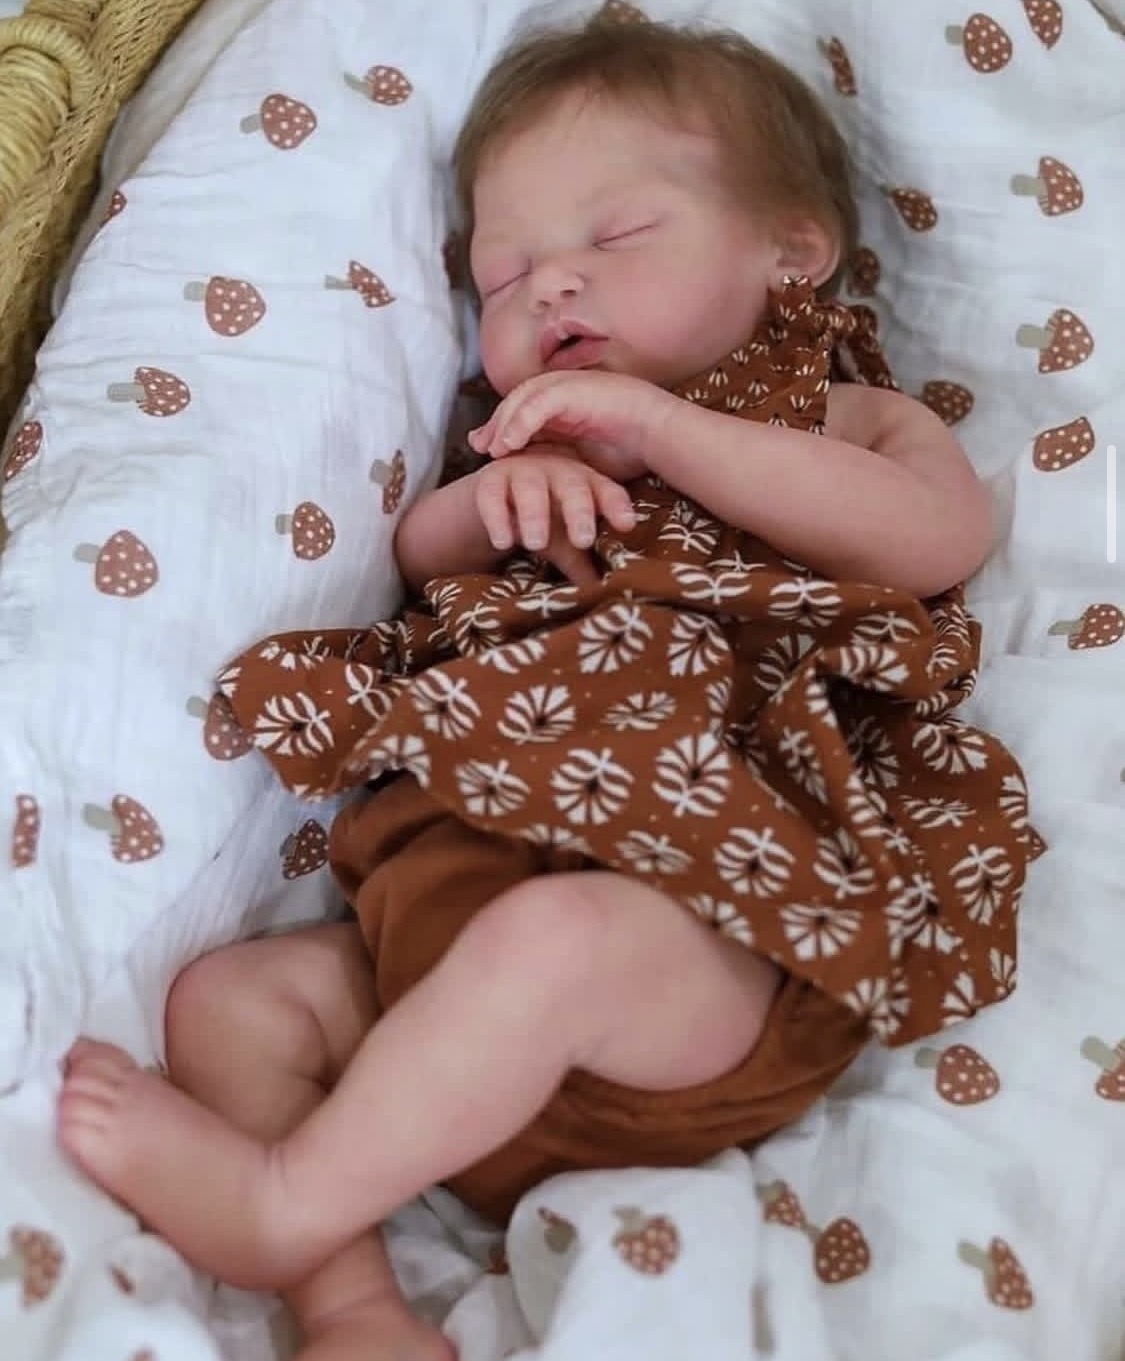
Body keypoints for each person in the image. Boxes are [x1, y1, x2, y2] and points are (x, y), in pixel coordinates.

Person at [56, 16, 1035, 1361]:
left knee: (554, 940)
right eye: (504, 274)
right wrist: (487, 506)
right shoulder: (511, 441)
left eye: (617, 235)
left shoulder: (831, 415)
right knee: (227, 1003)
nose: (551, 285)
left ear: (792, 253)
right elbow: (419, 558)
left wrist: (665, 432)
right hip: (437, 963)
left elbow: (932, 540)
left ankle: (284, 1206)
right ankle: (353, 1311)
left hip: (702, 955)